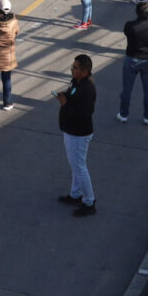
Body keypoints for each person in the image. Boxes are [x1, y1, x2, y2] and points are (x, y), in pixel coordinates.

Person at [56, 53, 97, 216]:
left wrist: (65, 104)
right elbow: (72, 97)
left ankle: (89, 202)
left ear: (85, 71)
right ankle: (75, 194)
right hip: (71, 131)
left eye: (75, 68)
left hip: (78, 134)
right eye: (72, 67)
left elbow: (85, 112)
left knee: (79, 167)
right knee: (76, 165)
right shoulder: (77, 83)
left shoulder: (87, 89)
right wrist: (65, 96)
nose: (72, 70)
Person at [117, 1, 148, 125]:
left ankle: (123, 114)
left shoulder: (130, 25)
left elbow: (126, 33)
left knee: (127, 89)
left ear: (136, 12)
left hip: (132, 58)